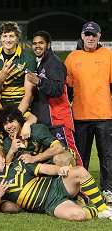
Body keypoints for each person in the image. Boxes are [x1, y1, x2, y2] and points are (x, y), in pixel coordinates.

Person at [0, 144, 112, 221]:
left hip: (57, 186)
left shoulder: (19, 165)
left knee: (80, 172)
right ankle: (96, 210)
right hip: (50, 204)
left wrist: (60, 169)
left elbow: (44, 168)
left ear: (4, 159)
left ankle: (103, 208)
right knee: (78, 215)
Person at [64, 22, 112, 203]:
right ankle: (83, 190)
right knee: (81, 156)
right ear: (82, 35)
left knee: (106, 155)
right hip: (80, 116)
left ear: (99, 37)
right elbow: (67, 90)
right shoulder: (72, 57)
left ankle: (108, 189)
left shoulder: (108, 55)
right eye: (88, 34)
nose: (91, 37)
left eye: (94, 34)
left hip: (105, 116)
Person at [28, 30, 82, 166]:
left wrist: (39, 81)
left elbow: (58, 89)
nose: (37, 46)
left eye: (41, 43)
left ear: (49, 45)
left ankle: (83, 185)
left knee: (70, 153)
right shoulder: (42, 63)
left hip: (59, 119)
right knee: (56, 157)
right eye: (34, 43)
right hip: (49, 119)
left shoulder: (55, 63)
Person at [0, 105, 76, 166]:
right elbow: (5, 166)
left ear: (19, 121)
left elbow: (58, 148)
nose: (9, 126)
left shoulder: (37, 130)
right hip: (42, 166)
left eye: (11, 122)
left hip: (60, 155)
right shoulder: (8, 142)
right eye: (5, 124)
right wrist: (11, 151)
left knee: (59, 159)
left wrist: (34, 159)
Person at [0, 21, 36, 113]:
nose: (8, 40)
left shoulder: (28, 59)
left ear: (17, 38)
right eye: (5, 36)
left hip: (20, 106)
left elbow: (29, 95)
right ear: (0, 38)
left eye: (11, 36)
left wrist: (17, 116)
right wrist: (2, 77)